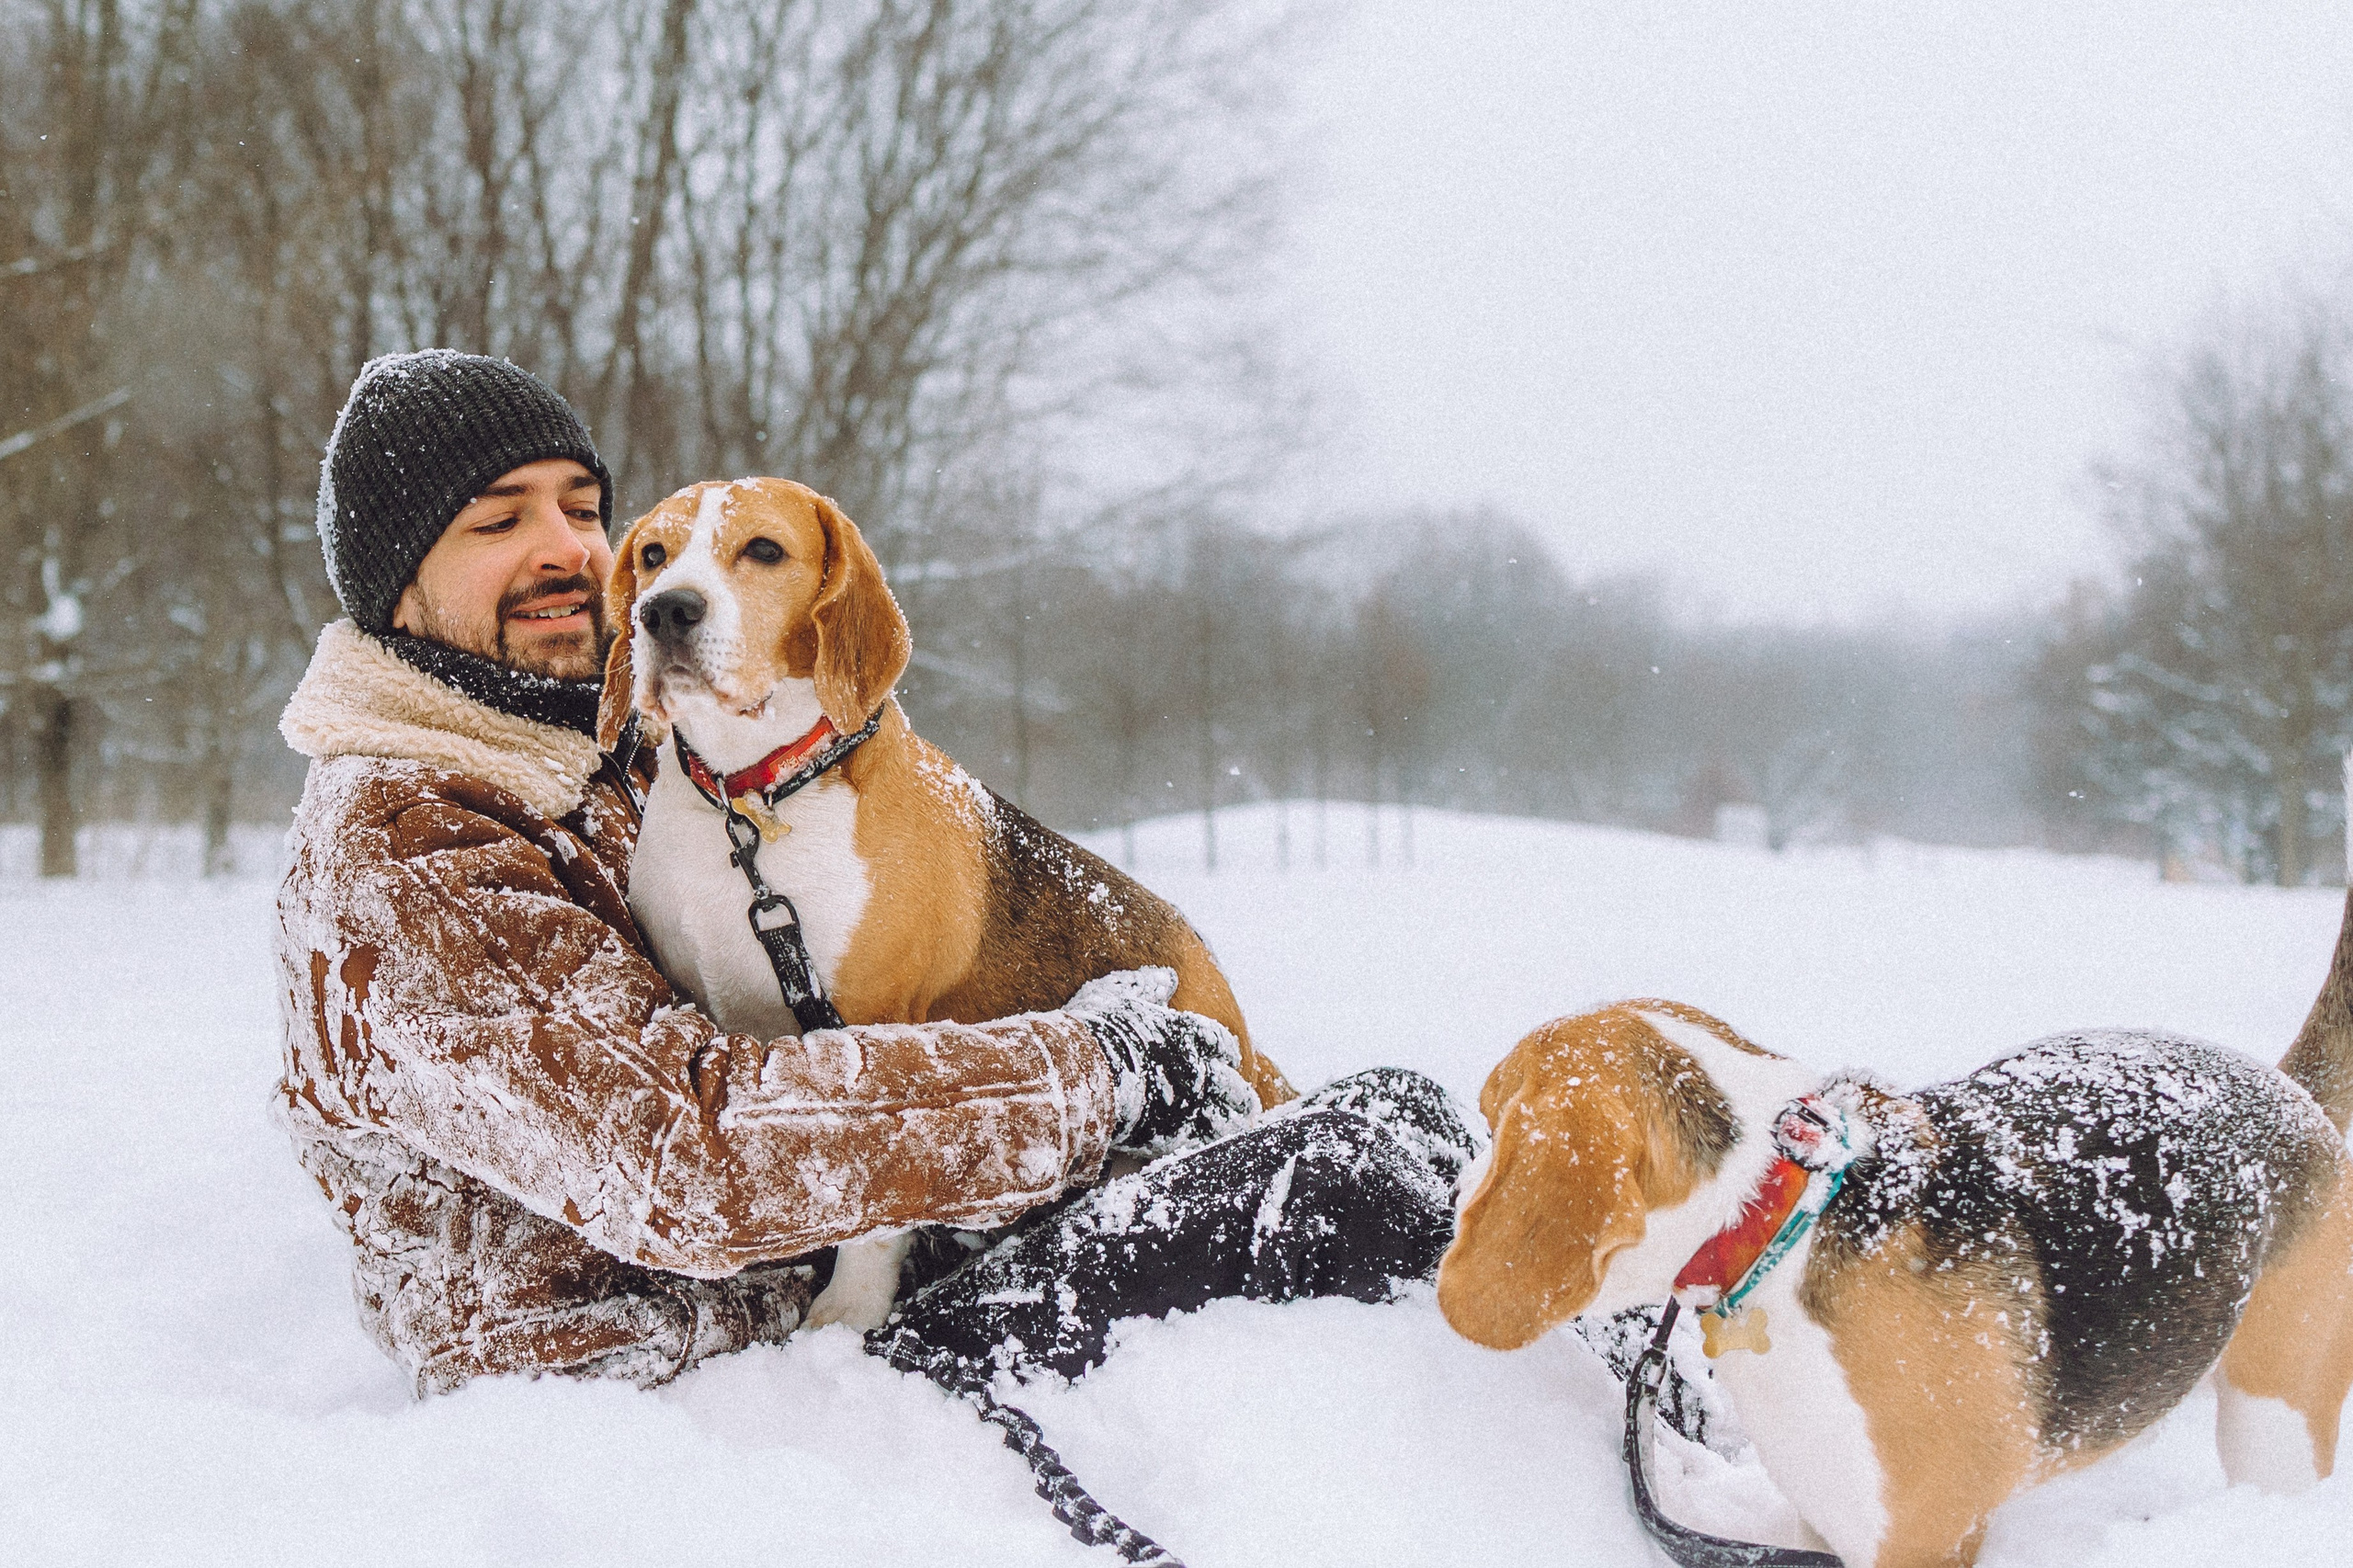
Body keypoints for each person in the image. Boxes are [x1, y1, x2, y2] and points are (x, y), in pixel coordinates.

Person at [275, 349, 1482, 1398]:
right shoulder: (405, 847)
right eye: (498, 522)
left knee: (1386, 1131)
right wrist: (1092, 1073)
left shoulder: (607, 756)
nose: (566, 551)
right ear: (395, 583)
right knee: (1351, 1186)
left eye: (582, 508)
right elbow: (688, 1154)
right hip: (651, 1368)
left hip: (836, 1265)